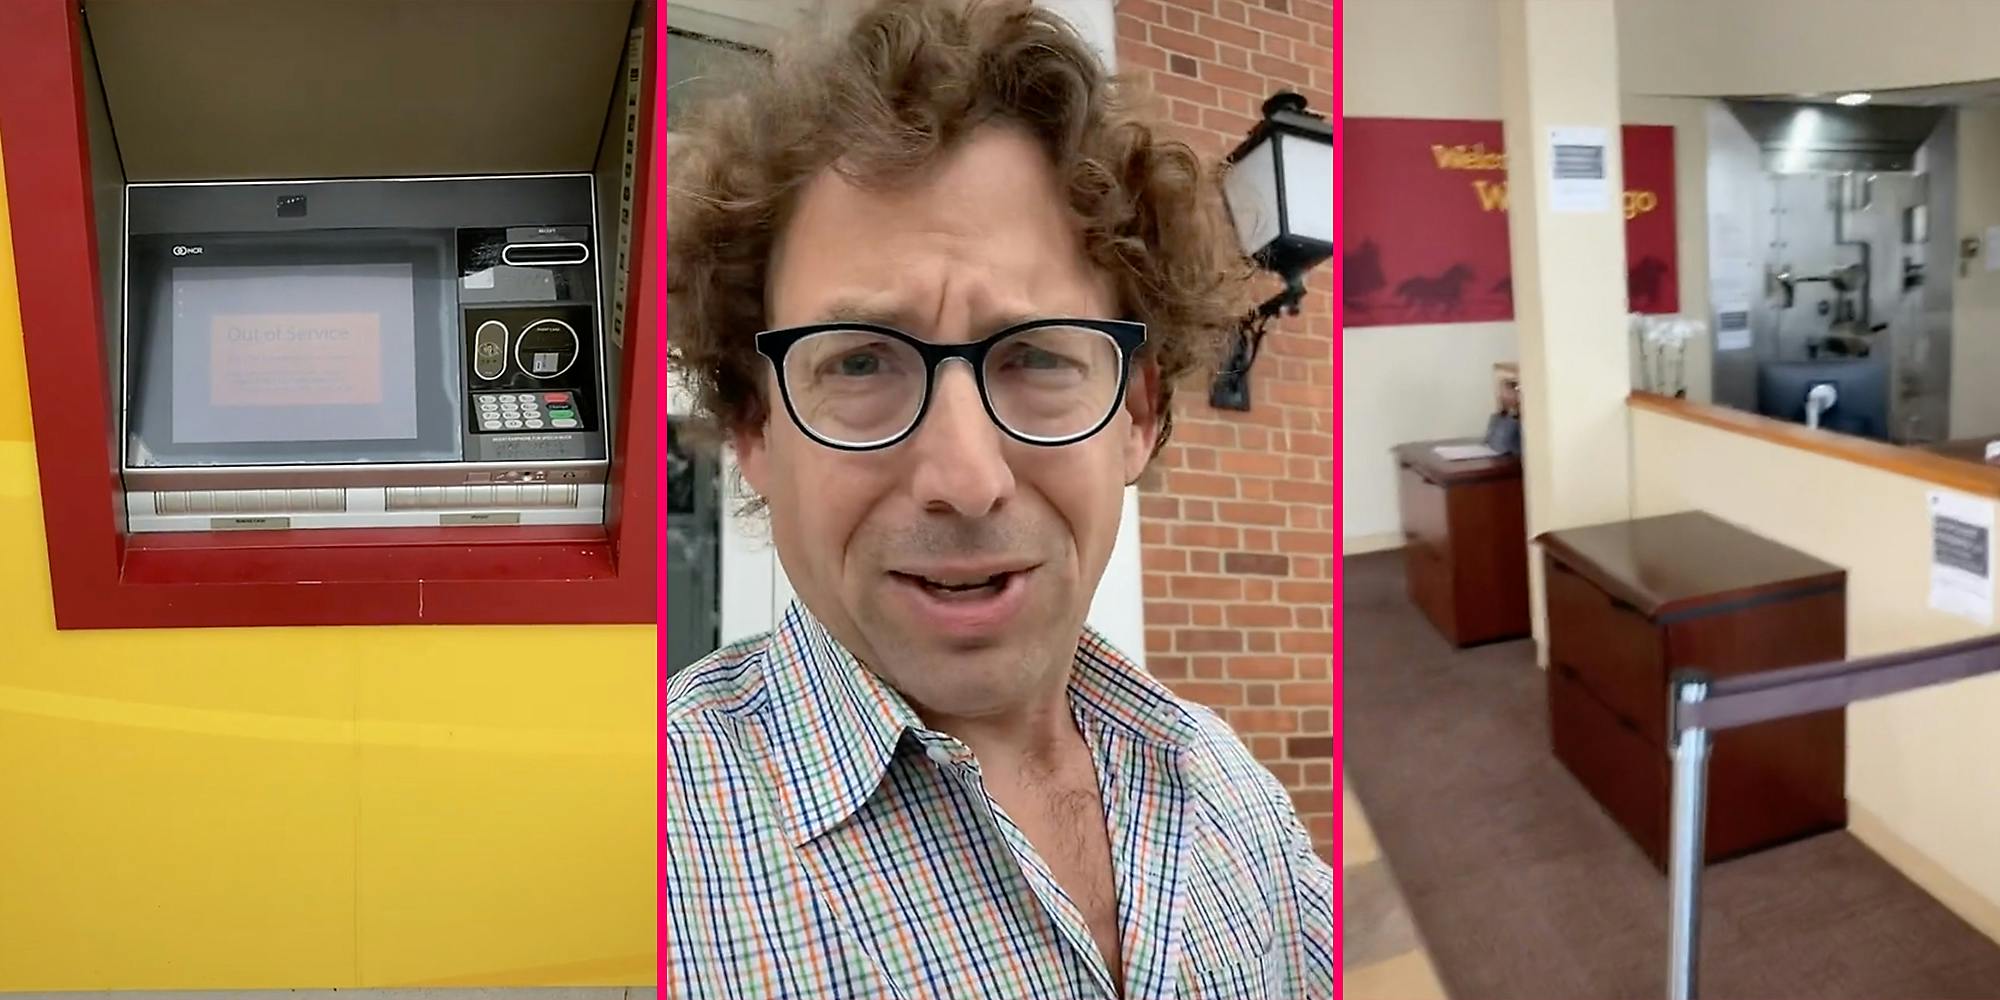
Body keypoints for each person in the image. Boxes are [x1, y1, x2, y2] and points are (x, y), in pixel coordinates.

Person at [664, 0, 1334, 996]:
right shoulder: (645, 845)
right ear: (757, 428)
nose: (965, 476)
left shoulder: (1235, 800)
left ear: (1135, 415)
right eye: (858, 362)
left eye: (1031, 356)